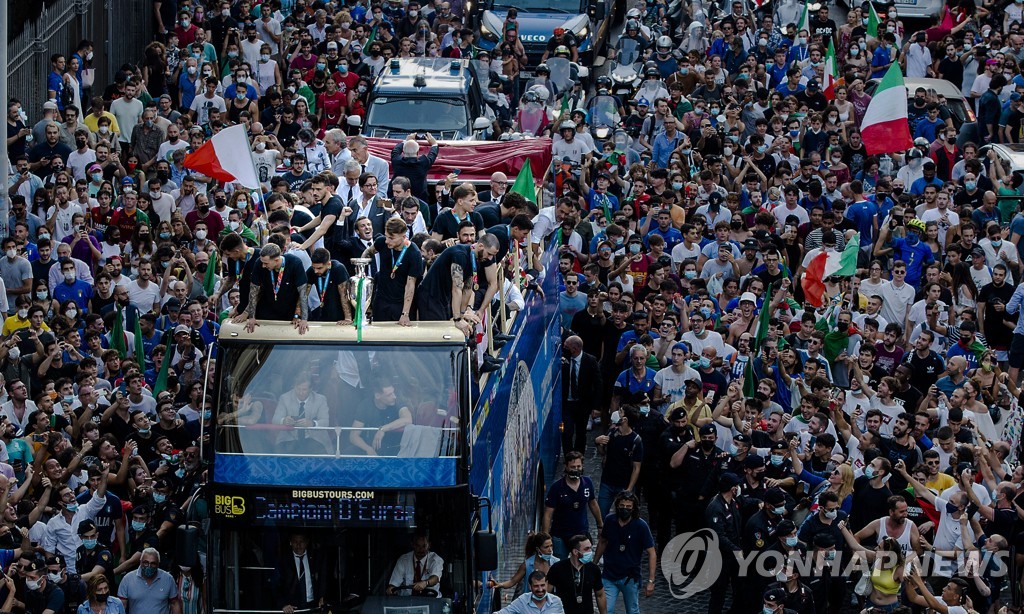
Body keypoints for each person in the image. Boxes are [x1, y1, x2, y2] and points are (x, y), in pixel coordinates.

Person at [594, 491, 655, 614]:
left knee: (632, 610)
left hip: (630, 578)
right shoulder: (610, 521)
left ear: (634, 508)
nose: (624, 509)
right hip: (609, 576)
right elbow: (603, 542)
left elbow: (651, 552)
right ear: (617, 506)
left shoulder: (640, 526)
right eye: (622, 506)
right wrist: (593, 563)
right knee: (605, 610)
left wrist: (651, 581)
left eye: (628, 507)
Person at [232, 243, 310, 334]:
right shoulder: (259, 263)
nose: (263, 266)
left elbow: (303, 292)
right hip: (268, 306)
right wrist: (251, 316)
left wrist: (303, 318)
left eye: (266, 263)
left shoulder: (295, 263)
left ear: (276, 260)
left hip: (290, 307)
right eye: (262, 263)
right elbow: (254, 291)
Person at [547, 535, 607, 614]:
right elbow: (547, 593)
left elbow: (600, 595)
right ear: (575, 552)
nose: (590, 552)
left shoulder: (593, 569)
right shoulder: (557, 568)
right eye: (586, 549)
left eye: (590, 548)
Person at [273, 533, 328, 612]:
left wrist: (323, 597)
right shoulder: (283, 561)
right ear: (291, 543)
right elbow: (276, 585)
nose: (298, 545)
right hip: (292, 608)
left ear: (306, 542)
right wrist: (283, 604)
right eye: (295, 542)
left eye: (301, 542)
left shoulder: (315, 558)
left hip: (313, 607)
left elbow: (323, 579)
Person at [116, 548, 180, 614]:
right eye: (146, 562)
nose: (149, 566)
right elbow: (121, 606)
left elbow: (174, 604)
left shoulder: (168, 579)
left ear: (158, 564)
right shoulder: (128, 579)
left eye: (153, 563)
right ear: (140, 562)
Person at [388, 532, 444, 597]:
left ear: (429, 545)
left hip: (431, 601)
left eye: (424, 546)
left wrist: (426, 583)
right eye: (418, 546)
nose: (421, 549)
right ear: (412, 545)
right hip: (407, 602)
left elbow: (435, 578)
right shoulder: (403, 560)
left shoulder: (436, 559)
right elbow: (394, 583)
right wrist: (391, 588)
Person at [496, 571, 564, 614]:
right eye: (536, 586)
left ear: (546, 584)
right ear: (530, 586)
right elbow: (504, 612)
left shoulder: (556, 601)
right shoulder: (522, 600)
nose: (540, 589)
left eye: (542, 585)